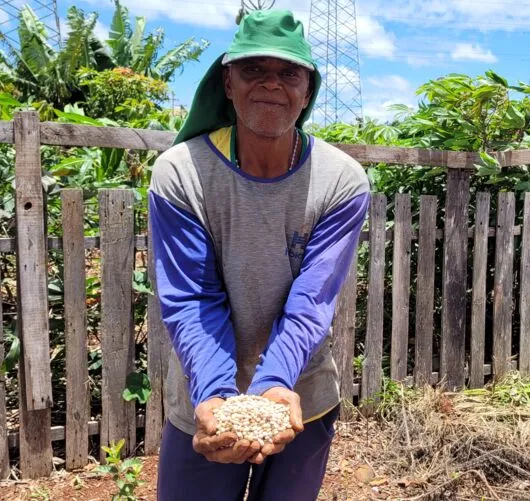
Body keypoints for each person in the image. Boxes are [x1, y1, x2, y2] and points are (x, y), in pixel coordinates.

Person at [148, 9, 370, 501]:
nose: (271, 84)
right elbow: (192, 299)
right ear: (227, 82)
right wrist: (217, 396)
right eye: (253, 70)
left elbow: (312, 300)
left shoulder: (341, 181)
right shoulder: (181, 174)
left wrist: (272, 383)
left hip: (301, 397)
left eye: (289, 73)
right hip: (203, 401)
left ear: (307, 90)